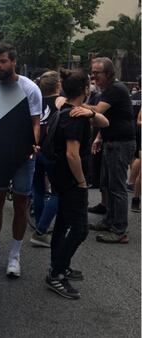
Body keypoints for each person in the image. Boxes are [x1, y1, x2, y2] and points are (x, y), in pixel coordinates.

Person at [0, 43, 41, 278]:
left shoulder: (29, 88)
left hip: (23, 156)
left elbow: (36, 122)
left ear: (14, 61)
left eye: (3, 61)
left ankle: (15, 256)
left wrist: (32, 145)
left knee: (20, 204)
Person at [46, 69, 109, 299]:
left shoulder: (65, 109)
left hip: (61, 178)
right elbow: (72, 155)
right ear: (84, 90)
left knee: (63, 223)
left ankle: (58, 266)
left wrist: (90, 114)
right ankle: (56, 273)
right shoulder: (74, 118)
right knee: (80, 229)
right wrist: (82, 182)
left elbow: (105, 121)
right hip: (72, 180)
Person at [86, 57, 136, 243]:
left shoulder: (115, 89)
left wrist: (75, 104)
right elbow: (113, 117)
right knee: (107, 183)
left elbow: (97, 112)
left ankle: (119, 230)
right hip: (111, 141)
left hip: (120, 144)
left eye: (97, 73)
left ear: (108, 73)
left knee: (117, 187)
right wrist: (100, 137)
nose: (93, 76)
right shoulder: (109, 88)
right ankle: (109, 220)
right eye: (93, 72)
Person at [30, 71, 61, 248]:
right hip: (52, 152)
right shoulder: (60, 104)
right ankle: (41, 228)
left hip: (36, 149)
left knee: (38, 189)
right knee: (57, 191)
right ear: (58, 86)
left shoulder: (36, 102)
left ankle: (40, 222)